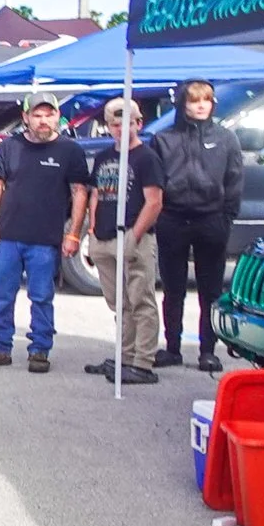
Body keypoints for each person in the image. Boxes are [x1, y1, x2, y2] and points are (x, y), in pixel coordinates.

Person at [0, 99, 92, 374]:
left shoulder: (70, 150)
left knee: (41, 297)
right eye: (37, 115)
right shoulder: (10, 146)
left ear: (58, 117)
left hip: (46, 240)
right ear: (25, 117)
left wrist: (73, 234)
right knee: (2, 295)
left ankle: (39, 350)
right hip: (9, 237)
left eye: (49, 116)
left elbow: (79, 192)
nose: (43, 121)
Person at [151, 80, 245, 373]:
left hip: (211, 219)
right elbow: (154, 182)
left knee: (210, 290)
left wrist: (226, 216)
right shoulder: (163, 139)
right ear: (183, 104)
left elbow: (234, 180)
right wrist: (160, 215)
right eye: (194, 100)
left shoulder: (226, 138)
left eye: (206, 100)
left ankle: (207, 350)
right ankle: (173, 347)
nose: (201, 105)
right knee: (173, 288)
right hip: (173, 219)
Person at [80, 95, 165, 385]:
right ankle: (124, 356)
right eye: (114, 124)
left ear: (139, 124)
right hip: (103, 236)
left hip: (132, 235)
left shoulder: (147, 157)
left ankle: (143, 361)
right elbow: (95, 193)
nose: (120, 129)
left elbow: (154, 201)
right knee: (119, 303)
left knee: (140, 299)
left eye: (127, 123)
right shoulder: (104, 157)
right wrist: (91, 229)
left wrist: (135, 235)